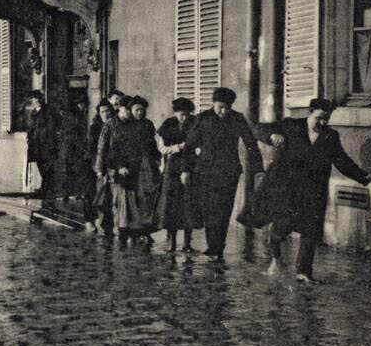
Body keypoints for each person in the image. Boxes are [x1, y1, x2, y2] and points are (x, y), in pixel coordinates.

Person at [241, 98, 371, 282]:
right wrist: (271, 136)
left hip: (313, 190)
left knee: (311, 231)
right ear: (310, 112)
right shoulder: (290, 125)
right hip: (286, 188)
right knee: (281, 228)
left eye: (327, 119)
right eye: (319, 118)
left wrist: (364, 177)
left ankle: (303, 272)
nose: (323, 123)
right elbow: (257, 129)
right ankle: (276, 259)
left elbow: (342, 161)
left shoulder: (330, 136)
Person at [182, 86, 264, 260]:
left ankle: (217, 247)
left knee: (224, 209)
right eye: (220, 107)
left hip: (229, 172)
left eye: (227, 107)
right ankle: (213, 245)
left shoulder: (237, 119)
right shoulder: (202, 119)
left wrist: (258, 169)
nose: (224, 111)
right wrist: (186, 170)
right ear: (213, 104)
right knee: (210, 209)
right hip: (205, 172)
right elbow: (189, 147)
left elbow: (251, 144)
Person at [97, 95, 160, 243]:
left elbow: (150, 146)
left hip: (137, 168)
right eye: (130, 110)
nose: (132, 113)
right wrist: (101, 169)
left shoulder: (141, 124)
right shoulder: (111, 124)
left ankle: (137, 230)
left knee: (137, 201)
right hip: (114, 168)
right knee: (116, 201)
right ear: (120, 109)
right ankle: (116, 229)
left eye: (140, 110)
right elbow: (103, 148)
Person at [155, 97, 200, 252]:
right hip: (172, 168)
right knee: (171, 205)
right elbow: (162, 148)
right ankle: (171, 241)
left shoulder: (196, 123)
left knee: (189, 205)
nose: (185, 117)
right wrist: (179, 147)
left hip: (191, 167)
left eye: (187, 114)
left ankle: (187, 243)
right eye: (182, 114)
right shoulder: (168, 124)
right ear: (175, 113)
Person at [26, 90, 61, 208]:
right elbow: (31, 128)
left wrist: (47, 140)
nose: (35, 101)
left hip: (46, 145)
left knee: (47, 168)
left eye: (37, 98)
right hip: (36, 145)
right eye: (34, 99)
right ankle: (45, 188)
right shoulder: (33, 113)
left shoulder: (49, 112)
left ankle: (47, 190)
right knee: (41, 166)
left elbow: (51, 128)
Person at [88, 100, 116, 234]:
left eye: (108, 111)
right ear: (98, 113)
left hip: (113, 164)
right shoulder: (95, 127)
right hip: (99, 166)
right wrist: (98, 169)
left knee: (111, 197)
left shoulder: (115, 124)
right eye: (102, 112)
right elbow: (93, 149)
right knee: (102, 197)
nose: (105, 114)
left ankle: (109, 224)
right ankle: (104, 224)